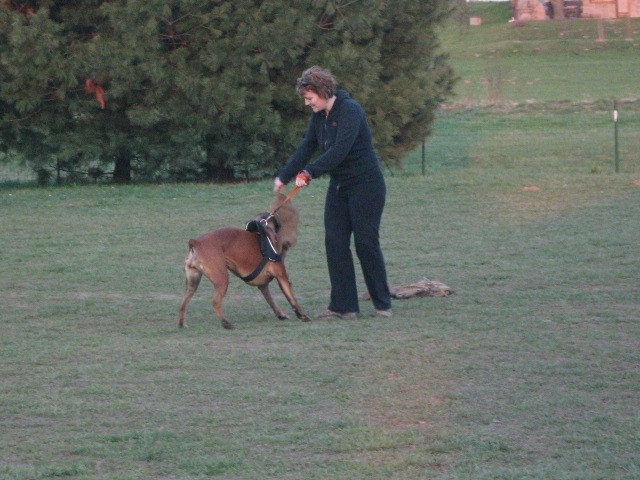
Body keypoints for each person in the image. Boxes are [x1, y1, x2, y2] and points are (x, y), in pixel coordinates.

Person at [273, 66, 392, 319]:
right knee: (335, 242)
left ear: (322, 90)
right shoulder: (319, 117)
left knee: (365, 243)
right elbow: (307, 147)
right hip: (339, 187)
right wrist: (284, 175)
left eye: (309, 98)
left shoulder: (350, 110)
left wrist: (309, 172)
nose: (307, 103)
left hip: (366, 186)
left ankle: (383, 304)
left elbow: (340, 151)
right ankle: (344, 306)